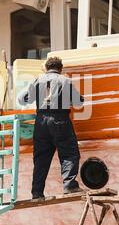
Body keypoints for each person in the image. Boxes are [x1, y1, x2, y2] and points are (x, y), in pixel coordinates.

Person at [18, 56, 84, 201]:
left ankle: (37, 192)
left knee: (41, 157)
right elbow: (79, 103)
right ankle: (70, 186)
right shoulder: (65, 80)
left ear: (47, 68)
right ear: (61, 69)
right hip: (60, 120)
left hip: (41, 121)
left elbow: (22, 99)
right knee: (69, 153)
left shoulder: (38, 80)